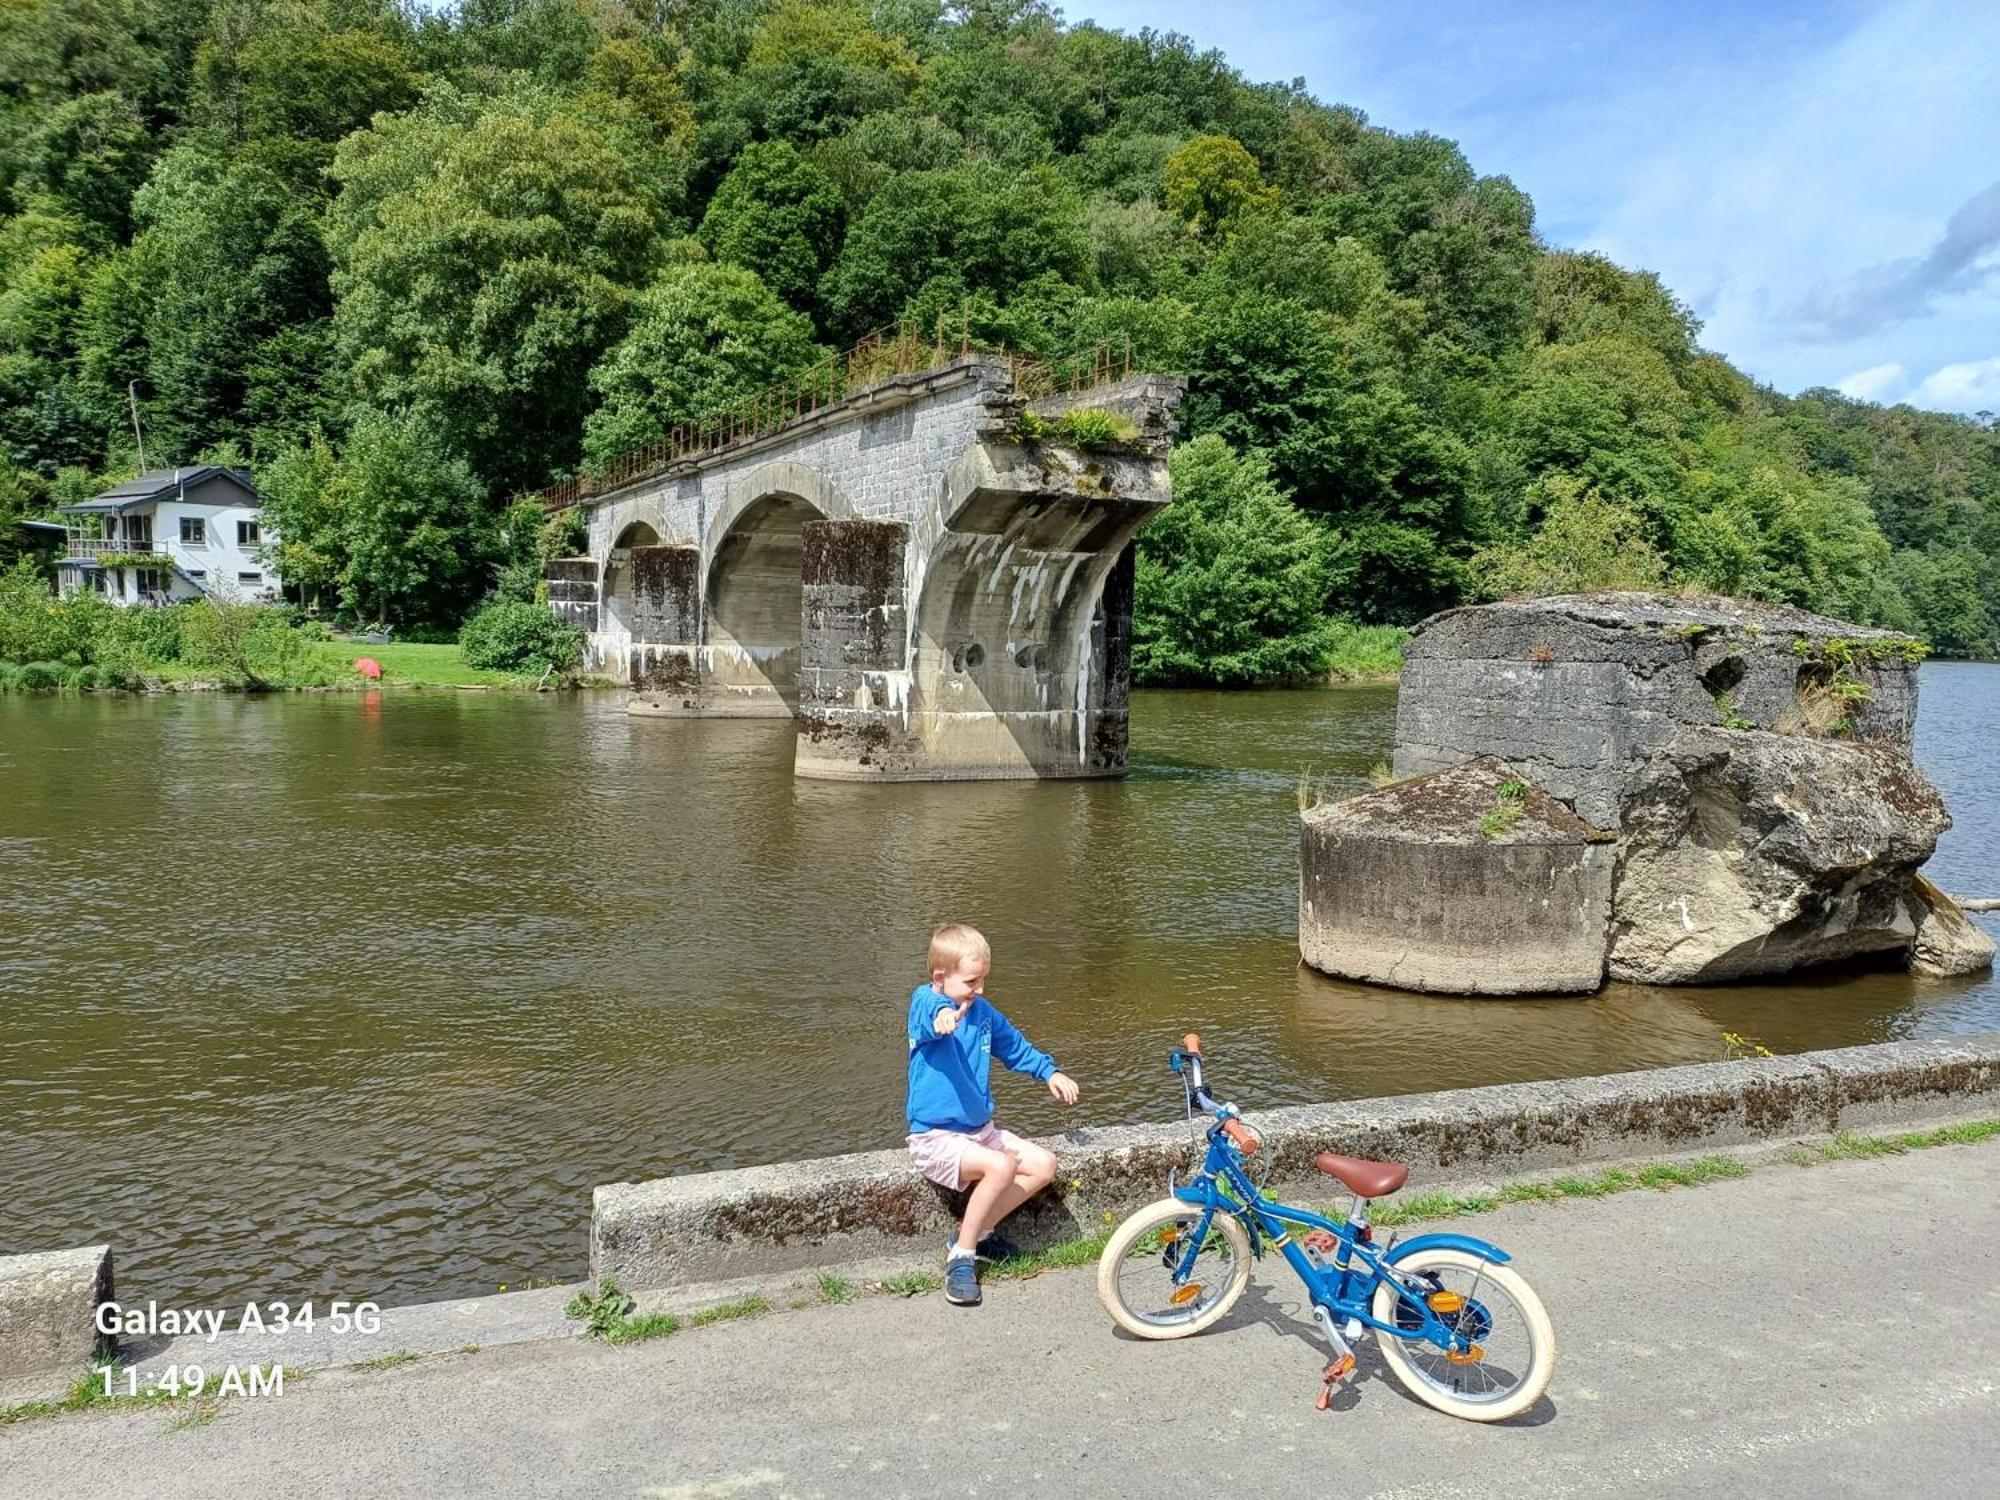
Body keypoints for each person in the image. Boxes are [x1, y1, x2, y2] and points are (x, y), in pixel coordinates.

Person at [905, 922, 1079, 1307]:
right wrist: (943, 1018)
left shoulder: (982, 1013)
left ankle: (976, 1233)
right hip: (935, 1138)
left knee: (1043, 1165)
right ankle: (962, 1258)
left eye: (983, 979)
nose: (979, 989)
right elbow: (930, 1017)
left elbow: (1014, 1047)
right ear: (940, 977)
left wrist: (1049, 1071)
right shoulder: (925, 1002)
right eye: (971, 981)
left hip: (979, 1131)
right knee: (1001, 1167)